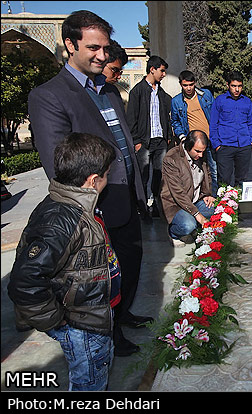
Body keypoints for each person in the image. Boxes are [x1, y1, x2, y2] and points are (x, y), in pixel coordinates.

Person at [28, 10, 150, 357]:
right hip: (94, 208)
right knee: (101, 279)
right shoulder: (50, 95)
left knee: (129, 264)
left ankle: (122, 316)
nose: (102, 56)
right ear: (70, 44)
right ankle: (108, 333)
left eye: (105, 48)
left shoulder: (108, 91)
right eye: (93, 48)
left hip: (126, 197)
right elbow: (59, 164)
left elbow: (122, 142)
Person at [8, 132, 119, 391]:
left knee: (97, 372)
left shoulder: (78, 204)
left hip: (94, 317)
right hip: (82, 326)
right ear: (93, 180)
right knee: (88, 385)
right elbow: (25, 281)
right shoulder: (62, 220)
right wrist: (55, 320)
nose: (109, 180)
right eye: (107, 175)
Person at [126, 55, 173, 218]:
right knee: (143, 175)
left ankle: (157, 206)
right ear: (152, 69)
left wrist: (167, 136)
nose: (164, 74)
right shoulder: (137, 91)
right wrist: (136, 141)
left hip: (160, 141)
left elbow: (167, 116)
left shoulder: (161, 93)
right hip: (144, 142)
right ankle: (142, 206)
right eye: (162, 71)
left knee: (159, 175)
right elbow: (131, 118)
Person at [161, 130, 216, 246]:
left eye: (203, 151)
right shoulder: (172, 158)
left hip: (195, 200)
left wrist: (207, 195)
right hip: (177, 204)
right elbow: (178, 193)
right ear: (188, 146)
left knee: (216, 209)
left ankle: (193, 224)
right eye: (197, 151)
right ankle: (173, 232)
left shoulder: (201, 156)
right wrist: (197, 215)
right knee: (188, 225)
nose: (201, 155)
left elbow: (207, 175)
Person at [170, 70, 218, 192]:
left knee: (214, 171)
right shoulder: (176, 101)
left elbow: (216, 114)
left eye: (191, 85)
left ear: (195, 83)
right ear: (180, 84)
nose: (188, 88)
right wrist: (182, 137)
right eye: (185, 85)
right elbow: (175, 122)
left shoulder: (205, 95)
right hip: (193, 143)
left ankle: (215, 198)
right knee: (196, 173)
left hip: (210, 140)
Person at [209, 71, 252, 188]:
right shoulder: (220, 101)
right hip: (225, 146)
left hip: (244, 145)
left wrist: (251, 141)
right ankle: (224, 200)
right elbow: (213, 124)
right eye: (234, 86)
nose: (237, 89)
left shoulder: (247, 102)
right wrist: (217, 144)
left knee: (241, 180)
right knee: (224, 180)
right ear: (228, 85)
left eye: (239, 86)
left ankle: (239, 199)